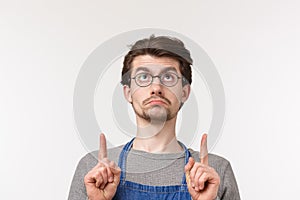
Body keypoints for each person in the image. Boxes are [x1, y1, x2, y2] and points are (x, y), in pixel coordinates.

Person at [68, 35, 240, 200]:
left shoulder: (214, 172)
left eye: (168, 77)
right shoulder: (94, 169)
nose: (156, 87)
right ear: (128, 92)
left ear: (184, 93)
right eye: (144, 77)